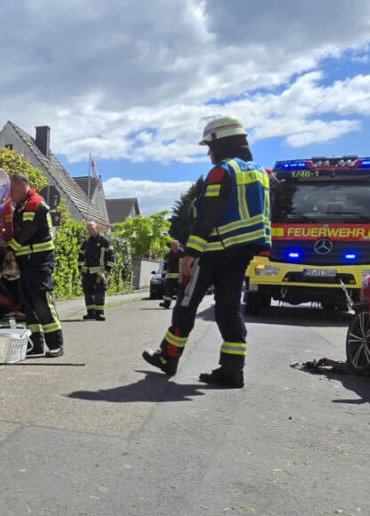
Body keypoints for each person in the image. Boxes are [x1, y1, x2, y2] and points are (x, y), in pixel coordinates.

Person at [142, 116, 271, 388]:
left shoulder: (222, 171)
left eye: (210, 147)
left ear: (222, 143)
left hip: (213, 251)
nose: (209, 153)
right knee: (228, 309)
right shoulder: (261, 173)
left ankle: (168, 357)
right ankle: (232, 369)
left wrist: (191, 253)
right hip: (242, 253)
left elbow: (209, 214)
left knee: (186, 304)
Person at [7, 172, 64, 357]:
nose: (9, 194)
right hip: (27, 261)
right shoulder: (22, 206)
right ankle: (35, 345)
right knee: (30, 305)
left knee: (42, 302)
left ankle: (56, 345)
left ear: (21, 185)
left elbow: (27, 232)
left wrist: (9, 249)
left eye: (11, 189)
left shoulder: (35, 203)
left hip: (39, 261)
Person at [80, 221, 113, 321]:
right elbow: (80, 256)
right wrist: (80, 267)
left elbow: (111, 256)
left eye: (91, 228)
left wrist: (107, 270)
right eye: (88, 229)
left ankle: (99, 313)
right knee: (88, 292)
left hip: (100, 272)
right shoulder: (86, 242)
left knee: (99, 292)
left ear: (96, 228)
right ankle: (90, 313)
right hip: (87, 272)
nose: (89, 230)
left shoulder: (105, 241)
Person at [160, 240, 185, 309]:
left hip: (180, 277)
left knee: (180, 292)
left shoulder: (182, 254)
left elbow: (185, 265)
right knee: (168, 292)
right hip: (170, 277)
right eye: (171, 245)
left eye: (174, 245)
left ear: (178, 245)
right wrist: (163, 275)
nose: (172, 246)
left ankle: (180, 305)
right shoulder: (168, 255)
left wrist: (183, 276)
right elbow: (165, 266)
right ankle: (166, 304)